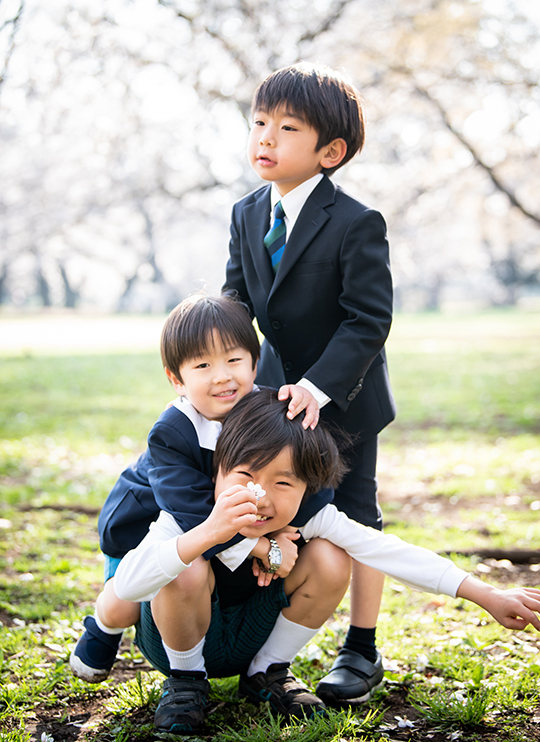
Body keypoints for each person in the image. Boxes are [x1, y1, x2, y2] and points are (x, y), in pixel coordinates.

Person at [114, 389, 540, 734]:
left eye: (283, 482)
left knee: (333, 556)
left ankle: (268, 673)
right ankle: (188, 685)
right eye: (245, 476)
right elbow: (129, 587)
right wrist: (209, 534)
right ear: (216, 472)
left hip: (252, 640)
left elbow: (386, 550)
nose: (260, 496)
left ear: (306, 489)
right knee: (184, 564)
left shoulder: (313, 516)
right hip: (175, 645)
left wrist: (485, 594)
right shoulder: (185, 516)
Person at [223, 61, 395, 705]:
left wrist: (320, 387)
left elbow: (369, 319)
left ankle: (362, 647)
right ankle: (261, 638)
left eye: (287, 127)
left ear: (330, 152)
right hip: (270, 394)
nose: (265, 138)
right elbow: (237, 298)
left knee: (357, 516)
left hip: (345, 395)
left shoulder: (355, 221)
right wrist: (220, 358)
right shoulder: (245, 213)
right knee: (268, 507)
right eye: (259, 123)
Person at [70, 294, 325, 683]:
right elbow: (194, 515)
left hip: (210, 531)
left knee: (196, 568)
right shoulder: (173, 431)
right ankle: (102, 628)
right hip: (146, 523)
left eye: (233, 360)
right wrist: (263, 546)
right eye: (203, 365)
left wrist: (287, 528)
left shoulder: (270, 411)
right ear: (177, 380)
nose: (222, 375)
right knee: (127, 601)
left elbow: (312, 483)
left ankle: (264, 673)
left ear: (255, 363)